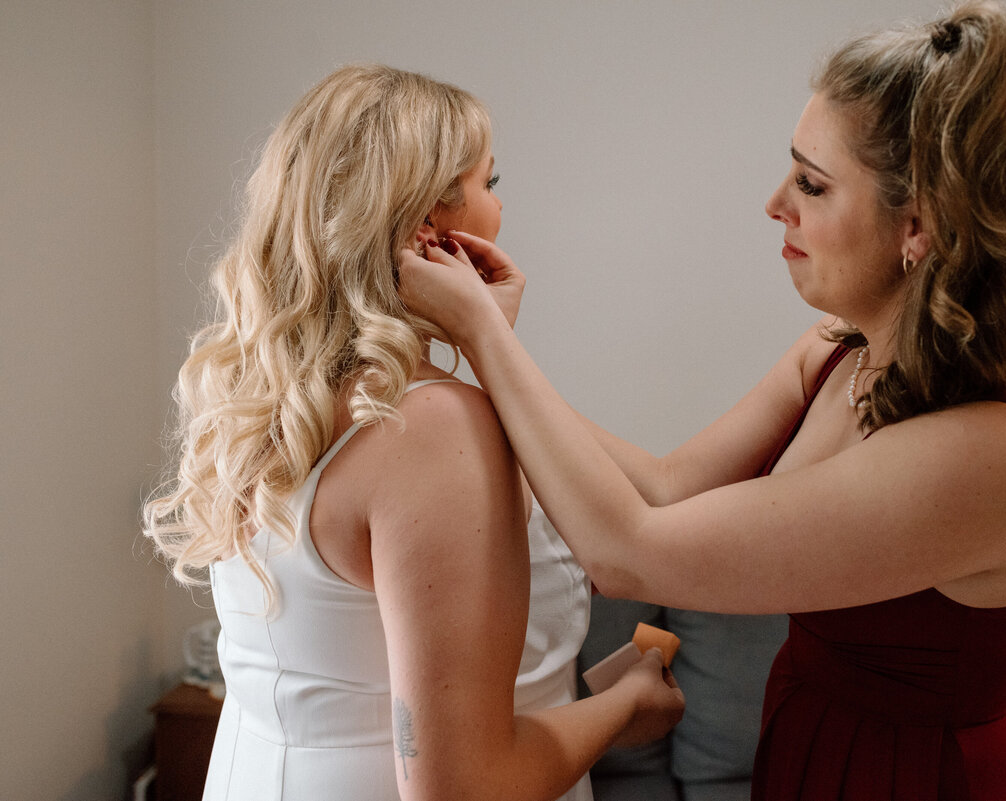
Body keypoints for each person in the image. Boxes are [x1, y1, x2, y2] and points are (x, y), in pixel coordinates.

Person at [397, 2, 1006, 798]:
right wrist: (492, 349)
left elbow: (627, 550)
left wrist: (482, 336)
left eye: (811, 183)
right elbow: (658, 486)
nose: (774, 204)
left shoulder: (996, 456)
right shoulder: (838, 349)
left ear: (919, 225)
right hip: (808, 754)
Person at [143, 64, 684, 801]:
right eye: (492, 183)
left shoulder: (260, 394)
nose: (501, 208)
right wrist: (625, 704)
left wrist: (486, 344)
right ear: (431, 228)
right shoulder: (432, 427)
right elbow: (462, 785)